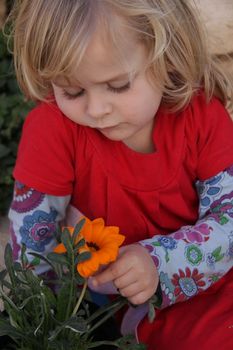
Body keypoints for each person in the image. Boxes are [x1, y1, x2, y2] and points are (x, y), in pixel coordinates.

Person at [8, 1, 233, 349]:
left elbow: (230, 219)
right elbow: (32, 252)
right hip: (157, 311)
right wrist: (47, 328)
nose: (96, 110)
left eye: (118, 85)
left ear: (166, 56)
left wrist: (158, 261)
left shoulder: (201, 114)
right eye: (72, 91)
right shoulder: (53, 130)